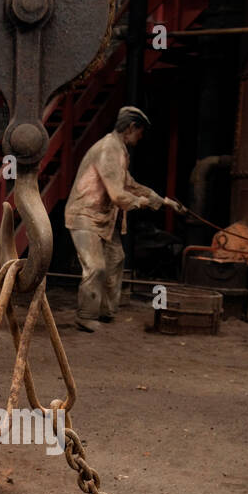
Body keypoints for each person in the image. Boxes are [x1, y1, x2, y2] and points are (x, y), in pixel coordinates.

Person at [64, 105, 185, 331]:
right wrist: (146, 203)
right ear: (131, 128)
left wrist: (164, 201)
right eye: (140, 132)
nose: (140, 137)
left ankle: (105, 311)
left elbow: (130, 184)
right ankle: (85, 315)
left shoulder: (119, 150)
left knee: (115, 259)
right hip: (85, 215)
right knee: (96, 266)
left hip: (103, 218)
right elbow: (119, 195)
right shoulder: (108, 149)